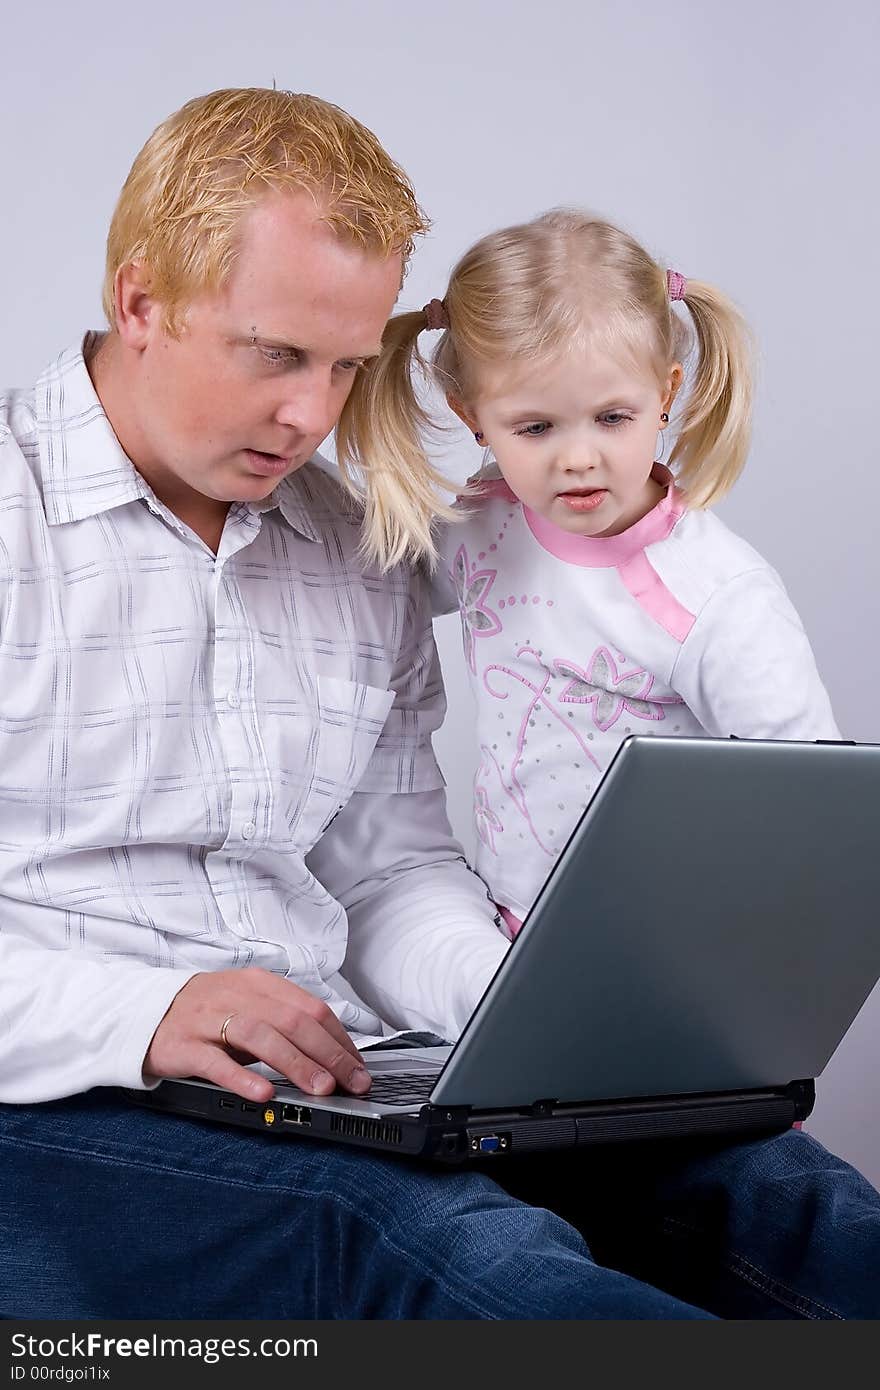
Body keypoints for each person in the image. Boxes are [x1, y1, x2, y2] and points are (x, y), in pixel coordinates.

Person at [0, 91, 878, 1322]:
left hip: (337, 1071)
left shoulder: (355, 547)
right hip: (61, 1106)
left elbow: (386, 876)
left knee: (790, 1200)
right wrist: (142, 1009)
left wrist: (514, 1014)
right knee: (468, 1259)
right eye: (277, 354)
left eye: (349, 366)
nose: (315, 418)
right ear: (140, 302)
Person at [349, 210, 840, 932]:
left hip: (669, 934)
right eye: (536, 427)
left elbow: (813, 792)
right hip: (514, 925)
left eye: (612, 418)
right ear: (473, 416)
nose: (578, 458)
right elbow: (375, 592)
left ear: (665, 395)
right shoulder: (488, 521)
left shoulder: (715, 597)